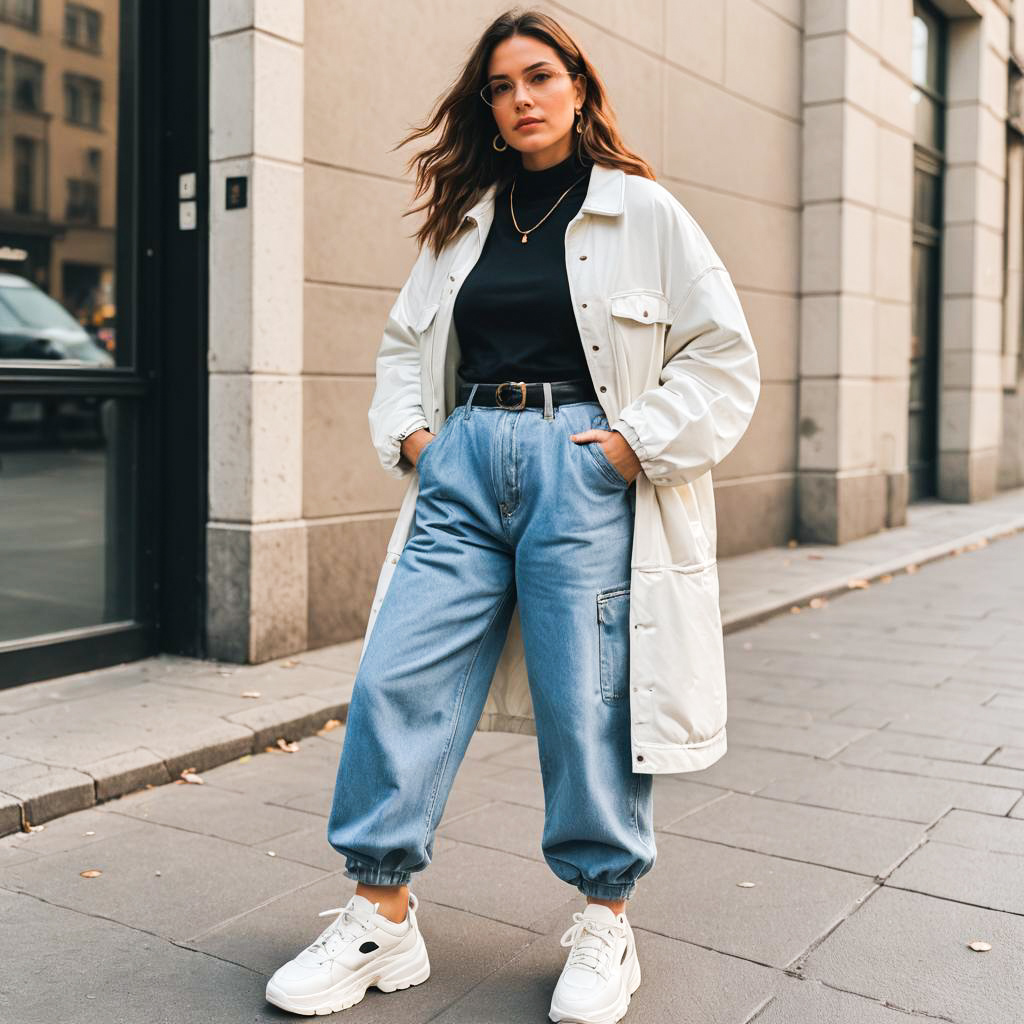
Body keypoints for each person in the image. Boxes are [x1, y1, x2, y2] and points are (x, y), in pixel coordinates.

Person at [266, 8, 759, 1023]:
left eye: (539, 76)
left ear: (577, 88)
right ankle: (379, 916)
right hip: (462, 466)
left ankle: (603, 923)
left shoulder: (643, 212)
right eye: (501, 85)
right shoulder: (466, 220)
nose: (522, 97)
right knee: (398, 674)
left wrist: (635, 444)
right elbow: (405, 347)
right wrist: (415, 439)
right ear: (486, 108)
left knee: (590, 699)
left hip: (581, 464)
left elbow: (721, 354)